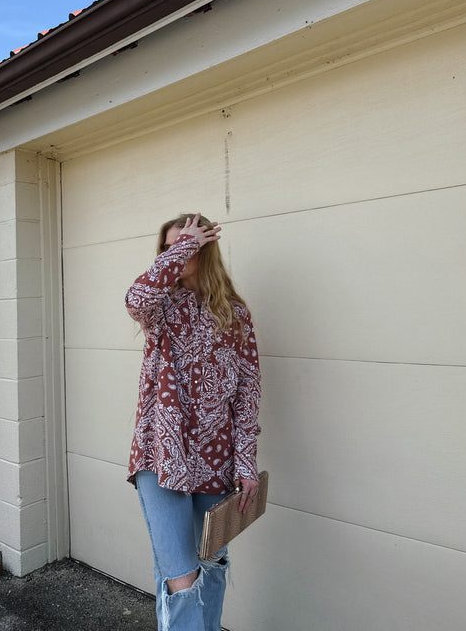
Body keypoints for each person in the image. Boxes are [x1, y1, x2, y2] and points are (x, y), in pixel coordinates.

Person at [125, 212, 261, 631]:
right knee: (181, 577)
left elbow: (248, 396)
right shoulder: (160, 306)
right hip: (161, 455)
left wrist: (246, 464)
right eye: (168, 247)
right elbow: (135, 298)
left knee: (211, 563)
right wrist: (185, 243)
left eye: (185, 246)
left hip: (215, 458)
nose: (175, 254)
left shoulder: (235, 315)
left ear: (207, 251)